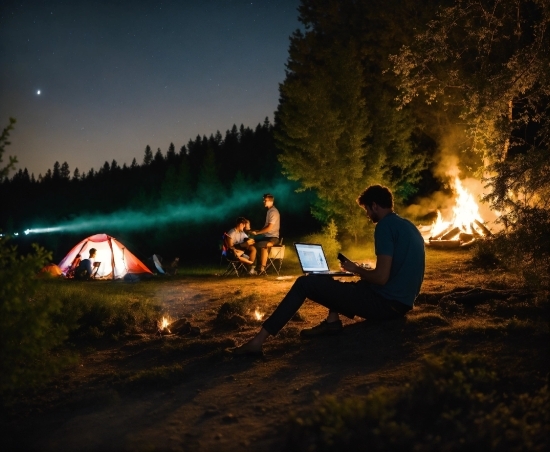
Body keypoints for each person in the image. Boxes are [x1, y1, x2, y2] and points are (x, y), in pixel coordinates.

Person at [231, 184, 425, 355]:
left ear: (375, 205)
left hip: (386, 305)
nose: (367, 214)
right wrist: (361, 271)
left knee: (304, 284)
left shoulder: (384, 226)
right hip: (402, 302)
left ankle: (258, 342)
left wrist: (357, 269)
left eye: (367, 209)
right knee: (335, 284)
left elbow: (381, 277)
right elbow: (391, 271)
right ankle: (332, 322)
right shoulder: (407, 226)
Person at [249, 193, 280, 275]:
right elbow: (266, 227)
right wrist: (256, 231)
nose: (263, 201)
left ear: (270, 201)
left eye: (265, 200)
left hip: (273, 238)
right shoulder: (269, 211)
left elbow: (269, 228)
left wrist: (258, 232)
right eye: (263, 200)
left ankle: (259, 268)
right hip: (267, 237)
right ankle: (256, 268)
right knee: (251, 243)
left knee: (259, 245)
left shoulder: (273, 212)